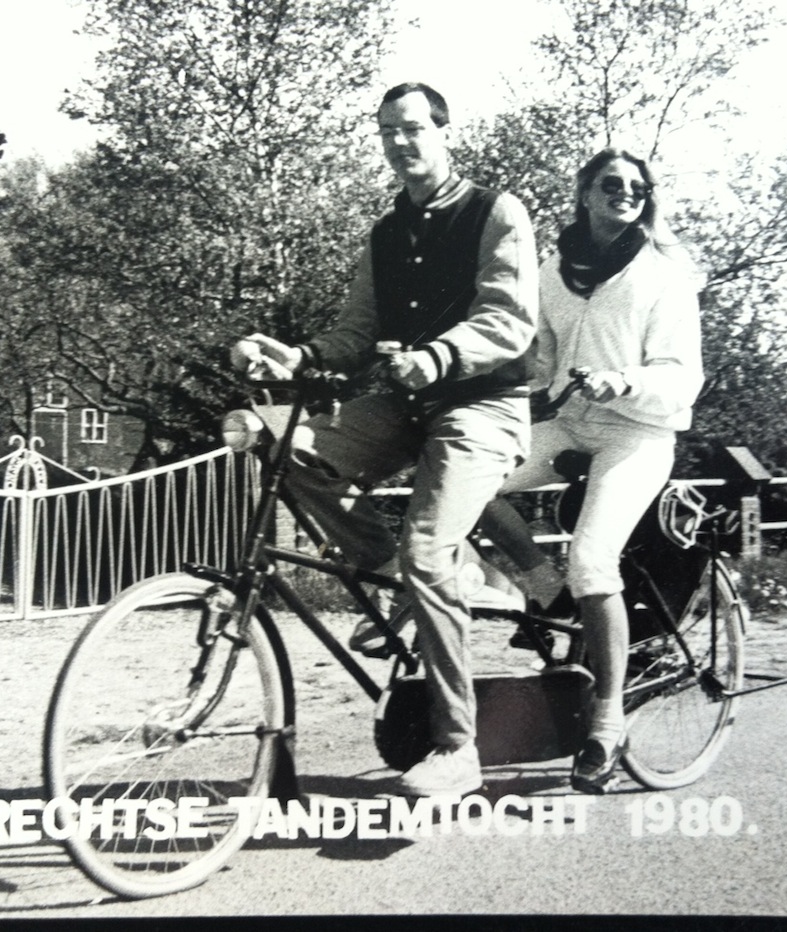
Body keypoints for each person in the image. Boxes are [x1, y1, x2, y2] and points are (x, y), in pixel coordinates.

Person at [231, 83, 538, 797]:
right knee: (281, 445)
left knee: (429, 548)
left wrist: (437, 356)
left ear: (443, 129)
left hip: (483, 406)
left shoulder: (496, 212)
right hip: (403, 404)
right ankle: (395, 573)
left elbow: (508, 320)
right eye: (387, 133)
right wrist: (296, 357)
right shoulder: (385, 232)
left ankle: (457, 748)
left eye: (412, 129)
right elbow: (356, 332)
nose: (400, 143)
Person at [479, 147, 703, 793]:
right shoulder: (554, 269)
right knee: (470, 484)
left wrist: (621, 382)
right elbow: (542, 361)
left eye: (635, 187)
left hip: (637, 432)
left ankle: (605, 723)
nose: (623, 194)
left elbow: (682, 379)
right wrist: (513, 385)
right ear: (585, 193)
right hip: (571, 422)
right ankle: (546, 593)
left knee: (592, 564)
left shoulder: (664, 272)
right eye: (610, 184)